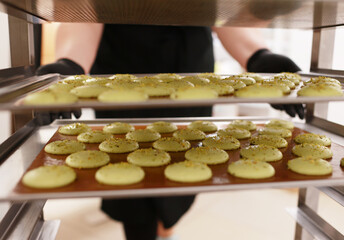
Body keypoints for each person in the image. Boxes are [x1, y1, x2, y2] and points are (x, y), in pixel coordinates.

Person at [37, 23, 303, 240]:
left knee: (186, 162)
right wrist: (71, 61)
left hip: (189, 63)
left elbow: (219, 9)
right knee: (127, 175)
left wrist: (257, 54)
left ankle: (167, 230)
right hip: (122, 63)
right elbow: (87, 8)